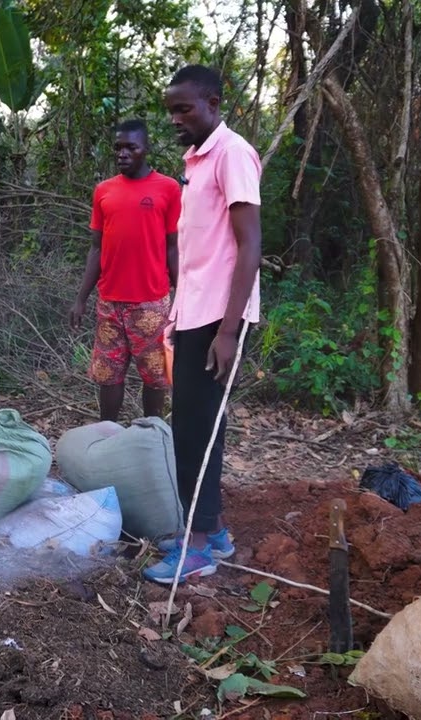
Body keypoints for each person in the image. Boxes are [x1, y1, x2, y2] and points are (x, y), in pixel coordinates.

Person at [143, 65, 262, 585]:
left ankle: (195, 550)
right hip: (196, 314)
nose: (175, 118)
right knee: (197, 426)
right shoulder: (196, 160)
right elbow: (199, 251)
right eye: (170, 110)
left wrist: (229, 331)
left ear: (213, 102)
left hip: (220, 317)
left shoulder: (232, 153)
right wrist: (177, 315)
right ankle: (211, 531)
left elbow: (250, 244)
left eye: (183, 108)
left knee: (195, 430)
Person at [70, 118, 181, 422]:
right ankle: (108, 435)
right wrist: (81, 298)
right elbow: (97, 248)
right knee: (109, 376)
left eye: (131, 147)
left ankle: (151, 434)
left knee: (155, 378)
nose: (122, 153)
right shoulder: (104, 191)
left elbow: (173, 246)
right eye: (118, 147)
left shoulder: (168, 189)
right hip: (110, 303)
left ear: (146, 149)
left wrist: (182, 299)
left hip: (151, 304)